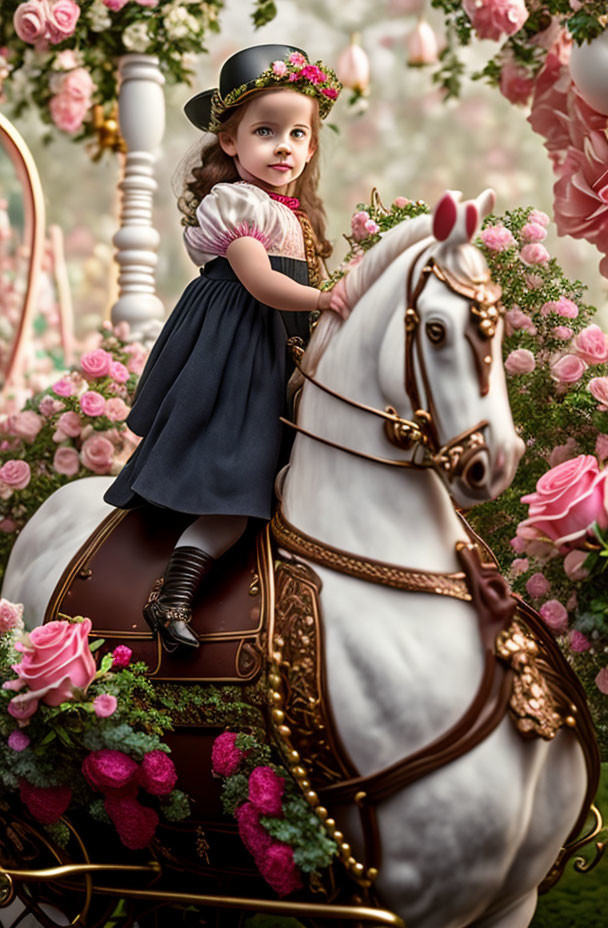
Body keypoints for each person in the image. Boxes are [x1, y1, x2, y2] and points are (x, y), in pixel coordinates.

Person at [104, 44, 349, 651]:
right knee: (237, 479)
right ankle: (174, 594)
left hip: (280, 343)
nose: (285, 145)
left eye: (298, 132)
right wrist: (323, 301)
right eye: (265, 131)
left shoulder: (294, 212)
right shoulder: (235, 204)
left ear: (312, 146)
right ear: (232, 141)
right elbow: (261, 282)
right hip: (238, 349)